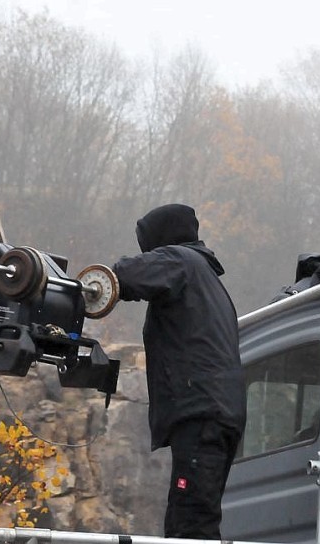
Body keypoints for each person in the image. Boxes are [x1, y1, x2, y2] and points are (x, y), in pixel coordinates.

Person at [112, 203, 247, 539]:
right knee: (197, 516)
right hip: (218, 415)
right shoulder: (209, 283)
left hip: (201, 413)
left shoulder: (180, 260)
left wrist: (93, 285)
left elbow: (127, 274)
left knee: (190, 524)